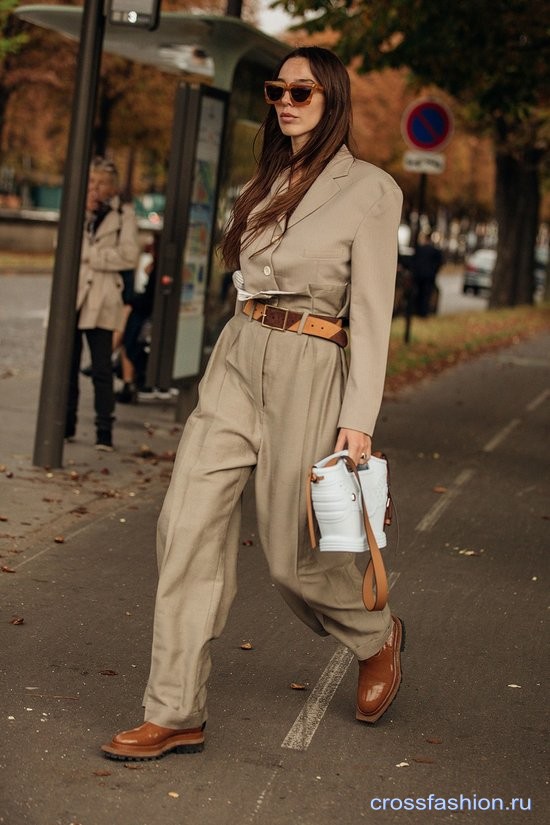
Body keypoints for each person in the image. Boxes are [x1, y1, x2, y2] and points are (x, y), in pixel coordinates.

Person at [101, 46, 404, 761]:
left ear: (331, 97)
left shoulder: (372, 190)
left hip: (312, 362)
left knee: (290, 555)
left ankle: (375, 632)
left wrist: (358, 418)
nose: (287, 101)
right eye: (279, 90)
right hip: (238, 356)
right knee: (185, 521)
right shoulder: (268, 178)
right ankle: (174, 709)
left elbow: (371, 311)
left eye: (302, 90)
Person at [65, 158, 140, 450]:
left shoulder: (124, 215)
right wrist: (85, 216)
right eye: (91, 182)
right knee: (67, 366)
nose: (94, 188)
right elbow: (64, 247)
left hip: (103, 297)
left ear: (112, 186)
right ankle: (66, 424)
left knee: (100, 369)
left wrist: (94, 257)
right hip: (73, 297)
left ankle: (104, 433)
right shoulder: (78, 211)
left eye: (100, 183)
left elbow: (129, 255)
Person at [411, 232, 443, 317]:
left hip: (419, 275)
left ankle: (418, 311)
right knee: (426, 294)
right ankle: (423, 312)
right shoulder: (435, 251)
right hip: (429, 276)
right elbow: (439, 262)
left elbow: (414, 261)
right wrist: (434, 271)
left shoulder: (420, 249)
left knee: (419, 293)